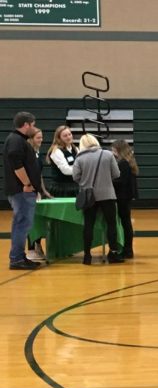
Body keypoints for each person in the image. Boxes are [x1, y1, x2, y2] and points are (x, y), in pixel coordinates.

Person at [72, 134, 122, 265]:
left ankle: (87, 255)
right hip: (107, 195)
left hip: (89, 196)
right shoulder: (108, 155)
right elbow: (116, 174)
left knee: (88, 225)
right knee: (111, 224)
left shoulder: (80, 158)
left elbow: (75, 177)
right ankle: (114, 253)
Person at [3, 111, 41, 270]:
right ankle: (17, 258)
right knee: (22, 224)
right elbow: (16, 163)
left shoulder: (18, 140)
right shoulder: (16, 141)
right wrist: (26, 183)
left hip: (22, 191)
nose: (34, 127)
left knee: (22, 224)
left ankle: (19, 256)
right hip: (21, 191)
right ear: (26, 125)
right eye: (33, 124)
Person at [25, 127, 52, 262]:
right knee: (31, 221)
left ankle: (37, 246)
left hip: (37, 192)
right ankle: (30, 250)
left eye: (41, 137)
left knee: (38, 219)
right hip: (28, 192)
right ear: (30, 139)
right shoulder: (27, 154)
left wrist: (43, 190)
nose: (41, 140)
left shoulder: (37, 153)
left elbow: (39, 174)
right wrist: (30, 188)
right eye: (38, 138)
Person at [111, 139, 139, 258]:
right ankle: (128, 249)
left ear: (118, 150)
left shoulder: (123, 163)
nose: (112, 152)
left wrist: (109, 181)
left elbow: (120, 181)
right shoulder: (129, 161)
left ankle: (128, 249)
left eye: (113, 150)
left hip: (122, 196)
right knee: (126, 223)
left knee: (125, 223)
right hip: (127, 196)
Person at [46, 125, 79, 198]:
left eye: (69, 134)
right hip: (61, 188)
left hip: (75, 186)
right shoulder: (56, 151)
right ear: (59, 138)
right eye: (65, 136)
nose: (68, 137)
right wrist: (80, 170)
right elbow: (66, 170)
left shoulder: (76, 149)